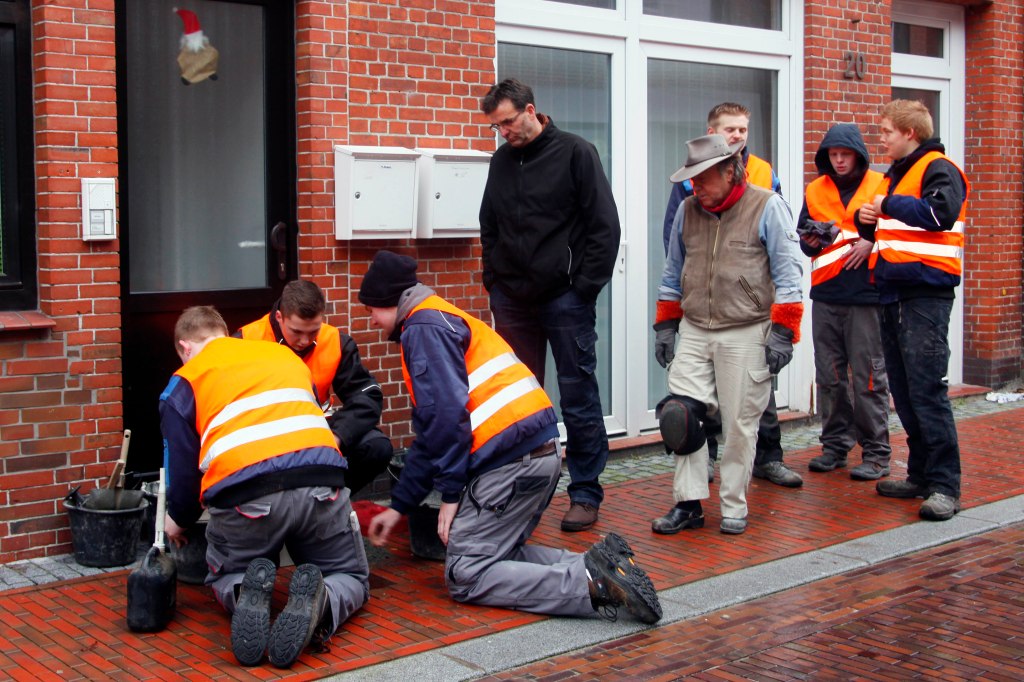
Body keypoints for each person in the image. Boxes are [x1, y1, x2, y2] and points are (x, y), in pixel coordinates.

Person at [359, 250, 661, 625]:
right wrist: (399, 507)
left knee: (466, 573)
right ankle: (596, 566)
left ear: (390, 300)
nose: (372, 320)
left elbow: (448, 419)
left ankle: (591, 584)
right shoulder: (441, 317)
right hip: (535, 453)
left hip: (510, 462)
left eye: (371, 309)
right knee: (493, 554)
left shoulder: (422, 329)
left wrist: (450, 495)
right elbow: (432, 433)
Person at [160, 306, 370, 668]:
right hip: (322, 482)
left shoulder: (184, 381)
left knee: (228, 573)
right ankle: (322, 601)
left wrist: (177, 519)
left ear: (185, 347)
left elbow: (183, 468)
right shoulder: (282, 355)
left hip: (246, 496)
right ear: (224, 333)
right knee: (348, 575)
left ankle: (244, 590)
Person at [479, 79, 621, 532]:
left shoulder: (577, 153)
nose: (503, 133)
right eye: (496, 127)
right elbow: (489, 224)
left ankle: (585, 492)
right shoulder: (501, 161)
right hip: (513, 299)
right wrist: (494, 281)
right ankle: (524, 489)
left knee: (577, 394)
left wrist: (583, 288)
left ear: (531, 110)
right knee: (520, 398)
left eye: (507, 122)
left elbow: (605, 227)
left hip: (564, 298)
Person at [652, 134, 803, 535]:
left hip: (747, 329)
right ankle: (688, 504)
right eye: (692, 179)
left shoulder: (767, 206)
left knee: (739, 425)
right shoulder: (687, 210)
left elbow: (789, 275)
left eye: (702, 178)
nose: (695, 186)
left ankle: (734, 505)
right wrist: (665, 324)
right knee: (680, 415)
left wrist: (784, 332)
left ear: (729, 172)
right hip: (695, 328)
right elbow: (672, 271)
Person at [855, 100, 969, 521]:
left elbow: (940, 214)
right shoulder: (896, 174)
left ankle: (945, 485)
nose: (881, 138)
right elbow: (886, 228)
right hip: (893, 292)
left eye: (887, 131)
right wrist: (867, 217)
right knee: (904, 392)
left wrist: (884, 205)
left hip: (925, 295)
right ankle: (920, 475)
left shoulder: (939, 168)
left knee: (926, 391)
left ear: (910, 133)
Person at [237, 279, 393, 495]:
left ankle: (331, 500)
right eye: (296, 331)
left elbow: (366, 396)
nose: (304, 341)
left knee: (377, 447)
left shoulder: (335, 341)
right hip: (266, 434)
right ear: (279, 317)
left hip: (317, 429)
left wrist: (338, 435)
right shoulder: (245, 341)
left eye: (313, 332)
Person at [798, 124, 892, 480]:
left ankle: (876, 454)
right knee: (830, 376)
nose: (839, 161)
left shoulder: (880, 186)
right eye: (833, 155)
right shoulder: (815, 189)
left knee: (868, 378)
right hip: (826, 294)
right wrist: (810, 241)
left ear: (858, 155)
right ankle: (835, 447)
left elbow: (900, 232)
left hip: (867, 295)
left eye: (845, 154)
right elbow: (805, 239)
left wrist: (873, 242)